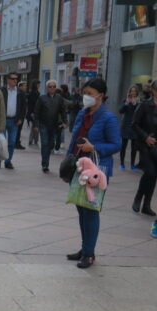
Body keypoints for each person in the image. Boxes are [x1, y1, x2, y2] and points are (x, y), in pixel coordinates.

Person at [66, 78, 120, 269]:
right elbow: (74, 139)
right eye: (84, 93)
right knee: (81, 209)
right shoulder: (83, 113)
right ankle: (84, 248)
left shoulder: (109, 118)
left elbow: (116, 144)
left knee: (91, 210)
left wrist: (94, 146)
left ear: (101, 95)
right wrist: (68, 162)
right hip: (80, 166)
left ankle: (89, 253)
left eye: (89, 93)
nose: (86, 97)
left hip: (97, 171)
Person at [131, 79, 157, 217]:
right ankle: (138, 197)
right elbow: (134, 124)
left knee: (154, 175)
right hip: (145, 145)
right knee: (150, 172)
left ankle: (147, 205)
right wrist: (146, 137)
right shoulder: (144, 105)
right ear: (153, 91)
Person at [34, 80, 68, 173]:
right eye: (50, 86)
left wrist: (65, 122)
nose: (52, 88)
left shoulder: (59, 98)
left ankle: (46, 159)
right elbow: (36, 112)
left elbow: (63, 111)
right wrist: (36, 124)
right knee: (44, 143)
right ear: (47, 88)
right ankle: (45, 164)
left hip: (54, 125)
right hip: (43, 124)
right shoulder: (42, 98)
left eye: (54, 87)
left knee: (50, 144)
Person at [0, 72, 26, 170]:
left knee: (12, 142)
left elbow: (23, 107)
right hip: (3, 120)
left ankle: (8, 161)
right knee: (1, 142)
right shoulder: (1, 90)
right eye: (12, 79)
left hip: (14, 121)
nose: (15, 81)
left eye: (16, 79)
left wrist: (21, 118)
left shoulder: (20, 92)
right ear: (8, 80)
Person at [119, 85, 140, 170]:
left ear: (137, 92)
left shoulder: (139, 102)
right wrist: (126, 103)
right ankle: (122, 164)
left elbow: (139, 113)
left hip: (134, 126)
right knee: (123, 146)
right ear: (129, 92)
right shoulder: (126, 100)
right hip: (125, 126)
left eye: (134, 91)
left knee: (134, 147)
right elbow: (120, 111)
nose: (133, 92)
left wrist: (135, 104)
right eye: (132, 91)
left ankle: (132, 164)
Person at [27, 79, 41, 146]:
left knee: (34, 126)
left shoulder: (36, 92)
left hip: (35, 112)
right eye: (38, 84)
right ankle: (33, 140)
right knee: (35, 126)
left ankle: (33, 140)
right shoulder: (33, 93)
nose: (39, 86)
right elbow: (32, 104)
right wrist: (31, 112)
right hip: (34, 112)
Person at [15, 81, 27, 150]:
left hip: (21, 116)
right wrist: (20, 117)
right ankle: (16, 143)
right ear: (20, 86)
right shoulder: (19, 94)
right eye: (24, 86)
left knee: (18, 130)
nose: (26, 87)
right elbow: (20, 106)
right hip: (19, 116)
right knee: (17, 130)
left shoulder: (22, 93)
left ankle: (17, 142)